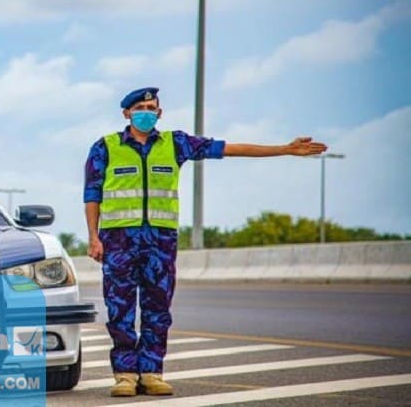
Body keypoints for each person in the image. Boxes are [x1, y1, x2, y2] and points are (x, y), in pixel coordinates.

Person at [83, 86, 327, 397]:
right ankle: (125, 374)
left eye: (151, 107)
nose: (146, 112)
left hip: (160, 241)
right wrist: (93, 236)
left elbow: (228, 149)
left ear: (159, 113)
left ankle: (152, 372)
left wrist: (284, 149)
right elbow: (92, 194)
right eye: (140, 107)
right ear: (126, 113)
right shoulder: (105, 147)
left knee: (158, 308)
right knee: (120, 309)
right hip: (118, 241)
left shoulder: (176, 143)